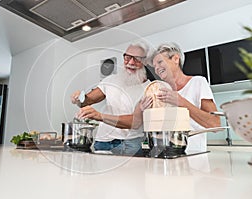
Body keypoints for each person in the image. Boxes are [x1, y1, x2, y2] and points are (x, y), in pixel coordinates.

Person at [78, 42, 221, 152]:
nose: (157, 68)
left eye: (160, 62)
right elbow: (143, 123)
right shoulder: (158, 89)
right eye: (154, 65)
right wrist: (143, 109)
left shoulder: (198, 82)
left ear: (176, 59)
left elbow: (215, 125)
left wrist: (181, 102)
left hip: (193, 153)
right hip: (165, 153)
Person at [71, 41, 150, 155]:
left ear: (145, 61)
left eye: (137, 59)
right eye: (127, 57)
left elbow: (136, 122)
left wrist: (100, 116)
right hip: (103, 141)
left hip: (131, 143)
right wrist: (79, 98)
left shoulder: (149, 88)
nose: (131, 62)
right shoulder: (111, 80)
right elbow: (87, 100)